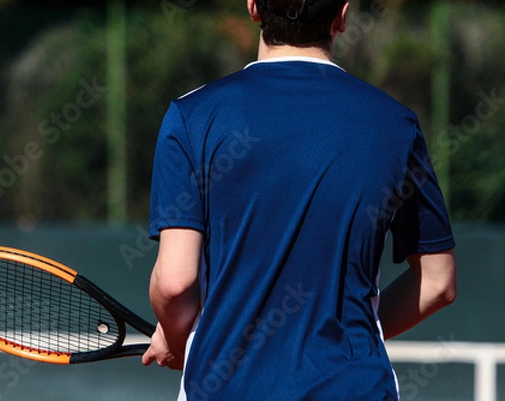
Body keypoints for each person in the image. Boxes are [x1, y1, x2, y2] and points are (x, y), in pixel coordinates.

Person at [142, 0, 457, 400]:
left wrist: (176, 336)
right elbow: (438, 283)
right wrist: (338, 338)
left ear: (253, 7)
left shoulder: (192, 115)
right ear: (342, 15)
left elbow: (174, 284)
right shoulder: (395, 124)